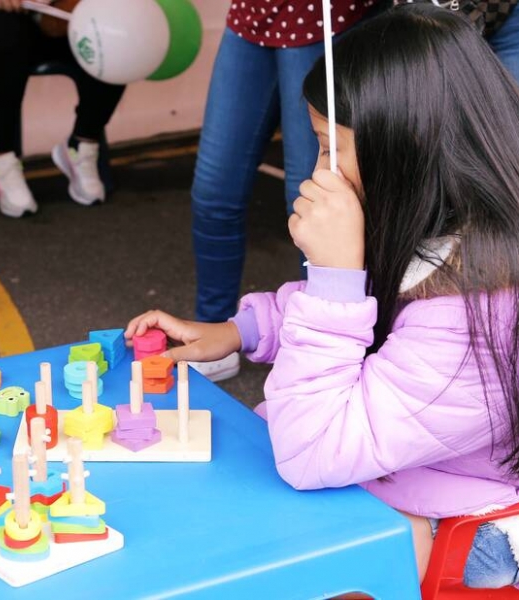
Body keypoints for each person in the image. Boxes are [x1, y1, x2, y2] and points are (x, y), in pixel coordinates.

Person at [127, 4, 519, 589]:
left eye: (327, 147)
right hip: (400, 471)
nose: (316, 173)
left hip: (465, 523)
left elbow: (312, 449)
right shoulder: (436, 223)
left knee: (271, 559)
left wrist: (336, 278)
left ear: (407, 150)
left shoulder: (470, 316)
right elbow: (368, 315)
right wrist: (242, 330)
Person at [187, 0, 384, 382]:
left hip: (324, 16)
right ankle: (215, 329)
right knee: (213, 192)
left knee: (316, 200)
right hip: (253, 14)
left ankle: (328, 347)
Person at [0, 0, 126, 217]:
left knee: (119, 34)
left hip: (59, 11)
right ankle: (3, 160)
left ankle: (82, 143)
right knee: (0, 32)